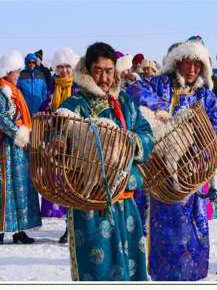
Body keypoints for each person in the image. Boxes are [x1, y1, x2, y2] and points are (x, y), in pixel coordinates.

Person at [55, 42, 154, 281]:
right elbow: (58, 134)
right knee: (98, 274)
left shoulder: (126, 104)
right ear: (87, 71)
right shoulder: (74, 106)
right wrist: (57, 145)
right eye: (98, 70)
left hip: (127, 202)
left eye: (109, 70)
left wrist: (127, 143)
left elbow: (146, 135)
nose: (104, 77)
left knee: (132, 271)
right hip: (92, 206)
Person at [126, 39, 217, 281]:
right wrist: (160, 110)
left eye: (197, 66)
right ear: (178, 62)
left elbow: (214, 133)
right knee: (161, 227)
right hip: (159, 174)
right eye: (188, 64)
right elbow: (136, 91)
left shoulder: (206, 98)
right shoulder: (160, 85)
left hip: (192, 174)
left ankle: (191, 275)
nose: (191, 70)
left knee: (191, 228)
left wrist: (197, 155)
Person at [0, 51, 42, 245]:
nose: (18, 75)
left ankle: (19, 231)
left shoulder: (15, 91)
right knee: (3, 188)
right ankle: (1, 231)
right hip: (3, 148)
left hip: (18, 149)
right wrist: (19, 133)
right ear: (7, 71)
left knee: (21, 187)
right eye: (16, 71)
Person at [39, 47, 80, 243]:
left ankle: (75, 227)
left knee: (75, 184)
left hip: (77, 142)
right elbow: (44, 108)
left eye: (67, 67)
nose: (64, 71)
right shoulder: (53, 89)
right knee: (62, 185)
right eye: (60, 67)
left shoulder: (79, 88)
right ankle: (67, 226)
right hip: (56, 142)